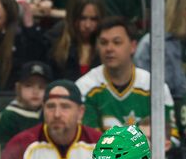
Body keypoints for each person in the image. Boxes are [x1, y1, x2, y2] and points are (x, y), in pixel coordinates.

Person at [76, 16, 178, 146]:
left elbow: (172, 138)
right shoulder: (85, 87)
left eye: (117, 42)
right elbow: (86, 141)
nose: (109, 48)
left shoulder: (155, 87)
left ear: (133, 46)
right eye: (103, 42)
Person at [0, 80, 102, 159]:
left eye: (65, 106)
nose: (57, 114)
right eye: (50, 106)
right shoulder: (21, 145)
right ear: (43, 109)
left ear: (80, 112)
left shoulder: (101, 145)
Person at [0, 61, 52, 159]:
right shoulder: (8, 116)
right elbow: (1, 157)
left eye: (41, 87)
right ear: (18, 88)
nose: (35, 91)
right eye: (28, 86)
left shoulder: (51, 113)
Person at [47, 0, 104, 81]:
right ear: (72, 17)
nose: (88, 25)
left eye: (94, 19)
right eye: (82, 18)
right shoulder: (54, 40)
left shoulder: (107, 44)